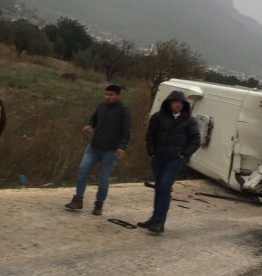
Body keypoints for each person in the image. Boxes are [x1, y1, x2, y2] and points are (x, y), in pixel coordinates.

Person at [139, 90, 200, 234]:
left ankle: (160, 222)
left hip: (174, 160)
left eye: (180, 103)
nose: (177, 105)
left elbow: (196, 140)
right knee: (159, 187)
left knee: (165, 187)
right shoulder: (158, 117)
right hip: (158, 158)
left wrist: (184, 155)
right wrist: (151, 151)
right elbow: (150, 135)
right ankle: (154, 218)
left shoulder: (189, 121)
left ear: (184, 105)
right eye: (174, 102)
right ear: (169, 103)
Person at [65, 85, 131, 216]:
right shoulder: (101, 106)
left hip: (111, 151)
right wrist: (90, 126)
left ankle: (99, 204)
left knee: (103, 179)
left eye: (111, 95)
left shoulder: (124, 111)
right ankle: (78, 199)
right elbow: (94, 119)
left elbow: (126, 131)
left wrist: (122, 147)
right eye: (106, 94)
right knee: (82, 170)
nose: (108, 97)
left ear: (118, 95)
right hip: (94, 147)